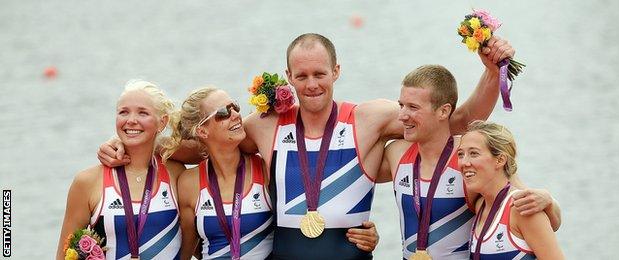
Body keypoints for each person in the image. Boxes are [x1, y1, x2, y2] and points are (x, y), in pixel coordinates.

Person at [99, 33, 509, 259]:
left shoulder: (369, 118)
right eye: (302, 75)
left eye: (320, 73)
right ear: (288, 77)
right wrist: (128, 147)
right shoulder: (263, 126)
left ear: (336, 71)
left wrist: (491, 73)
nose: (312, 84)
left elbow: (455, 120)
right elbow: (201, 145)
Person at [377, 65, 561, 259]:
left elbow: (526, 205)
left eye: (413, 107)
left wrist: (549, 201)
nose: (402, 116)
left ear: (443, 111)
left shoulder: (471, 158)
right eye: (401, 105)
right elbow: (359, 177)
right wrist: (368, 232)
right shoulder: (396, 152)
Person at [56, 80, 185, 259]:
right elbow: (63, 256)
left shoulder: (176, 174)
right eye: (123, 112)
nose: (131, 120)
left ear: (162, 122)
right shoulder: (87, 182)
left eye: (143, 112)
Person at [163, 86, 274, 259]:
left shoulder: (264, 169)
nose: (236, 115)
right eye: (224, 112)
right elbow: (186, 250)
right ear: (202, 131)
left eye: (235, 107)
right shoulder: (189, 183)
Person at [458, 120, 564, 259]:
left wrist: (550, 201)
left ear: (500, 160)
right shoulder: (481, 205)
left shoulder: (522, 208)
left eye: (474, 153)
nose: (464, 162)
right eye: (460, 154)